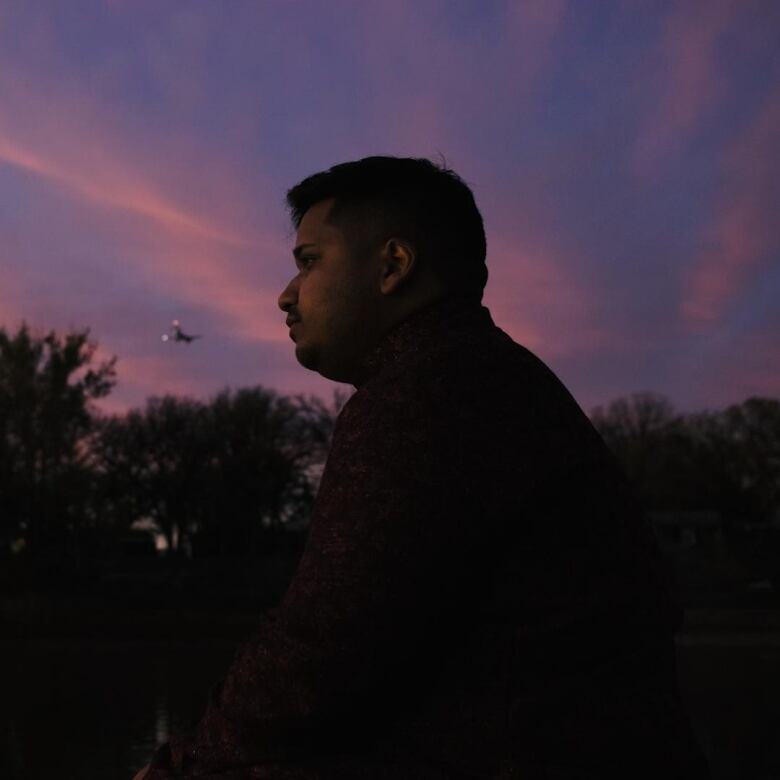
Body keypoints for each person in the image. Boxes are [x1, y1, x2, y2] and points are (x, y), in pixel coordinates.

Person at [137, 155, 710, 778]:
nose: (285, 294)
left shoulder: (425, 394)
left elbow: (322, 651)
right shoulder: (487, 376)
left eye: (308, 261)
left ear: (393, 266)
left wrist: (183, 769)